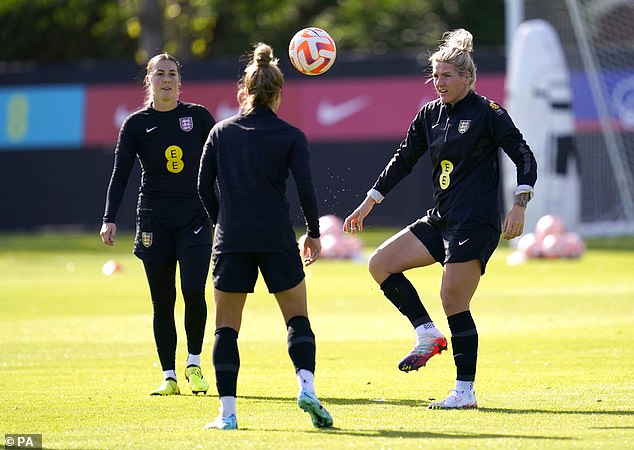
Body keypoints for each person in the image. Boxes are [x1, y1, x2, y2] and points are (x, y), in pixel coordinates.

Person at [343, 29, 537, 409]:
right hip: (441, 219)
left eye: (446, 75)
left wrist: (520, 202)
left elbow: (524, 155)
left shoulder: (488, 113)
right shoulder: (430, 114)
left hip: (476, 222)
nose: (439, 82)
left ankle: (465, 391)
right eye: (435, 75)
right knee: (380, 264)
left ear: (468, 77)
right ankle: (427, 333)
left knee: (453, 298)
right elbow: (403, 158)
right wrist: (370, 201)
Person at [197, 42, 333, 430]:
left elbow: (202, 187)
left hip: (232, 239)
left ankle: (227, 415)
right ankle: (306, 387)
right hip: (276, 237)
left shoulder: (221, 132)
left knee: (226, 328)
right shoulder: (291, 135)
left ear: (245, 89)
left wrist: (221, 221)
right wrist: (313, 233)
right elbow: (306, 189)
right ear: (279, 92)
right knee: (297, 319)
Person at [100, 53, 216, 396]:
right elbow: (120, 174)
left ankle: (194, 364)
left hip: (195, 215)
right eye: (160, 74)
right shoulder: (136, 124)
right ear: (148, 80)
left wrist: (225, 210)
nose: (166, 79)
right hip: (153, 217)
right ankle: (169, 376)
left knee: (194, 290)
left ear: (180, 82)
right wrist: (108, 218)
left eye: (172, 74)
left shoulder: (198, 117)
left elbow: (220, 165)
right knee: (161, 301)